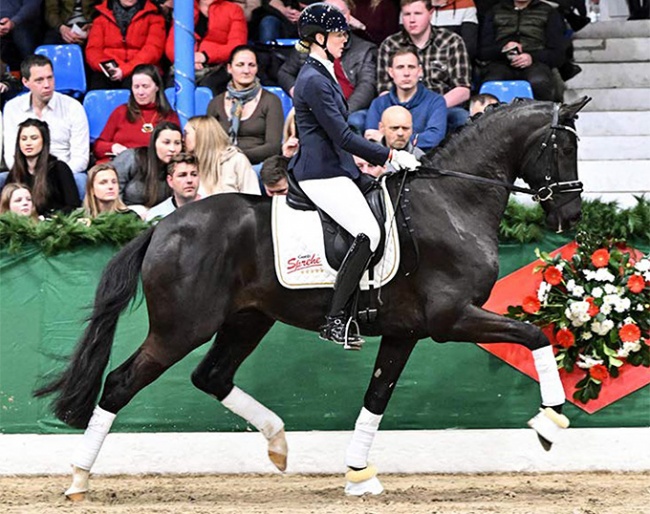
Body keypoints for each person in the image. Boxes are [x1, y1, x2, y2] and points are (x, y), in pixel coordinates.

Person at [291, 3, 419, 346]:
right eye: (337, 34)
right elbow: (343, 136)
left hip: (339, 167)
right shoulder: (313, 80)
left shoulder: (325, 71)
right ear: (318, 38)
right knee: (368, 232)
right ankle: (335, 320)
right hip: (320, 173)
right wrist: (392, 155)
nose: (344, 40)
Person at [277, 0, 378, 132]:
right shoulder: (309, 45)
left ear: (349, 16)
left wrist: (341, 113)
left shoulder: (365, 49)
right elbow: (285, 72)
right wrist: (297, 92)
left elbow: (367, 87)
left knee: (355, 121)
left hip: (350, 110)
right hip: (315, 107)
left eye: (340, 13)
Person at [377, 0, 471, 131]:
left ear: (430, 13)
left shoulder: (451, 41)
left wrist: (432, 108)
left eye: (418, 13)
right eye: (407, 14)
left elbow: (463, 90)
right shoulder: (390, 45)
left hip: (443, 107)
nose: (412, 20)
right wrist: (401, 113)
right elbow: (384, 90)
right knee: (357, 119)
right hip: (400, 111)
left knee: (462, 118)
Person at [2, 55, 90, 194]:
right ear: (25, 82)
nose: (47, 85)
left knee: (80, 180)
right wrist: (29, 175)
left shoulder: (73, 107)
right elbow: (11, 155)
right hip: (25, 173)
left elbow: (81, 158)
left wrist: (55, 176)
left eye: (50, 77)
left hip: (63, 173)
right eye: (39, 80)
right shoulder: (13, 108)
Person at [208, 45, 284, 169]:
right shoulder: (216, 103)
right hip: (222, 164)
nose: (246, 70)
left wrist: (237, 156)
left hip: (258, 166)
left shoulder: (271, 101)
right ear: (229, 68)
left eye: (251, 65)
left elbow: (273, 147)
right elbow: (208, 143)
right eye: (240, 65)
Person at [478, 0, 566, 101]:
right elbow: (482, 51)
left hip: (537, 63)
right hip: (499, 62)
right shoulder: (494, 11)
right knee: (492, 83)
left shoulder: (549, 12)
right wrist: (503, 49)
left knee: (539, 82)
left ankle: (542, 115)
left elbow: (558, 54)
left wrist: (531, 57)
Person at [93, 64, 180, 161]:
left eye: (145, 86)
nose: (140, 92)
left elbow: (177, 149)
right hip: (123, 166)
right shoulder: (120, 112)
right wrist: (113, 147)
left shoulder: (169, 116)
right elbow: (98, 148)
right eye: (136, 87)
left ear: (157, 87)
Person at [365, 47, 446, 151]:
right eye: (400, 67)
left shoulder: (436, 102)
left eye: (411, 67)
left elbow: (434, 139)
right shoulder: (379, 103)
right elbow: (371, 138)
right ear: (391, 72)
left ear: (420, 71)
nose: (406, 73)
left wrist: (386, 138)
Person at [165, 0, 248, 96]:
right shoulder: (185, 8)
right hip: (187, 64)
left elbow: (237, 47)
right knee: (173, 85)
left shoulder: (234, 10)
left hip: (219, 66)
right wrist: (189, 59)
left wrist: (204, 56)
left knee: (208, 85)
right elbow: (171, 47)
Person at [5, 119, 81, 215]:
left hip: (54, 225)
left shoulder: (59, 168)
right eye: (23, 139)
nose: (28, 143)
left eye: (34, 138)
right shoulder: (15, 172)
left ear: (44, 141)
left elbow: (73, 205)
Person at [85, 0, 166, 91]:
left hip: (141, 68)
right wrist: (110, 69)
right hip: (109, 70)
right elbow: (93, 50)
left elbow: (153, 49)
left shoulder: (154, 14)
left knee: (138, 83)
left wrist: (124, 70)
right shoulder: (101, 15)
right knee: (98, 84)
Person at [111, 120, 182, 210]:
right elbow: (113, 192)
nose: (172, 149)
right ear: (154, 143)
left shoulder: (179, 168)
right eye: (166, 143)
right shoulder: (132, 158)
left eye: (177, 143)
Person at [184, 115, 260, 196]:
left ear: (201, 135)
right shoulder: (188, 165)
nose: (182, 139)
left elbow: (253, 199)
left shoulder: (237, 160)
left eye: (186, 134)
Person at [145, 153, 201, 221]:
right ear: (170, 180)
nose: (189, 180)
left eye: (194, 174)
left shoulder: (212, 208)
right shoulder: (156, 215)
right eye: (182, 175)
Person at [0, 0, 41, 69]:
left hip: (22, 22)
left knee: (22, 33)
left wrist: (13, 22)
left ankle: (32, 71)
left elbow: (32, 6)